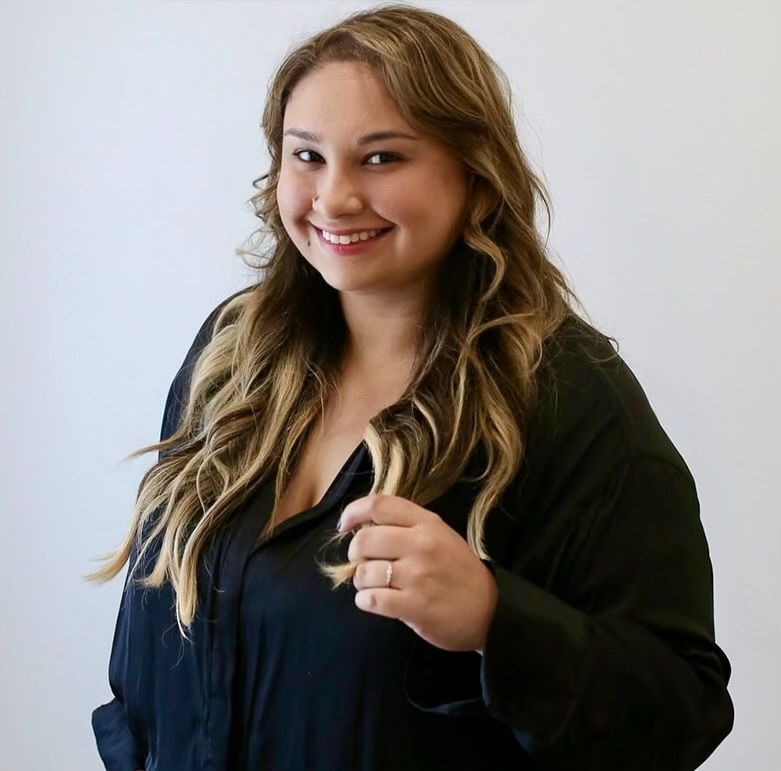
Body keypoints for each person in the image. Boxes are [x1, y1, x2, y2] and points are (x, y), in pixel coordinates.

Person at [87, 3, 734, 770]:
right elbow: (149, 661)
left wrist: (496, 619)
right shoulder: (234, 356)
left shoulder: (568, 402)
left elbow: (682, 711)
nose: (332, 198)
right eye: (306, 156)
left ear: (473, 172)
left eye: (381, 158)